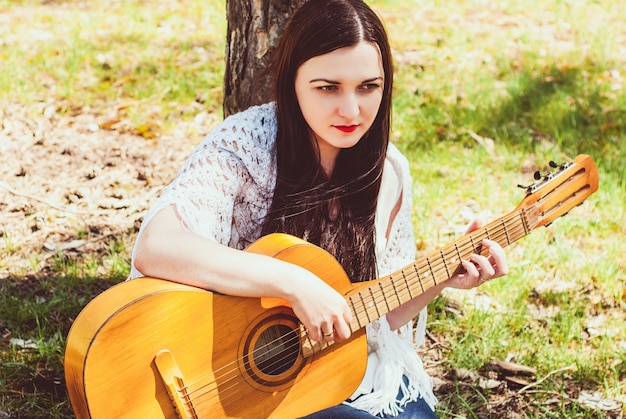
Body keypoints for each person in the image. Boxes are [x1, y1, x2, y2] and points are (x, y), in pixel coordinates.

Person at [129, 0, 508, 417]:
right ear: (292, 80)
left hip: (325, 370)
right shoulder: (244, 145)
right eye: (328, 87)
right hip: (216, 375)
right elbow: (157, 246)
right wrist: (294, 284)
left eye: (368, 87)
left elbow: (378, 314)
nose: (351, 110)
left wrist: (443, 276)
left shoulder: (389, 171)